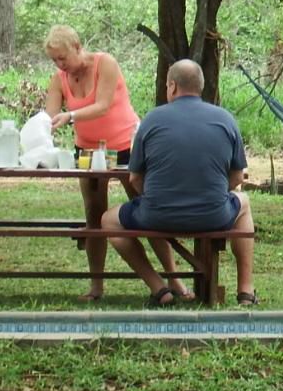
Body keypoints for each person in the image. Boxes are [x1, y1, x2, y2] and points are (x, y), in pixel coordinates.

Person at [42, 25, 186, 302]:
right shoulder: (58, 79)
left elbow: (103, 105)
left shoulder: (104, 64)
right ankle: (96, 286)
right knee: (94, 216)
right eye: (55, 60)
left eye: (63, 58)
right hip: (88, 151)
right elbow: (49, 117)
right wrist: (39, 131)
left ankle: (174, 279)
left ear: (77, 46)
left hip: (127, 147)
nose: (61, 65)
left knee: (147, 210)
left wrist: (69, 116)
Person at [100, 59, 256, 308]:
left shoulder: (151, 120)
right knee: (244, 203)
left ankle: (159, 288)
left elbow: (135, 178)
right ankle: (246, 290)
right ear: (200, 87)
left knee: (108, 220)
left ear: (172, 86)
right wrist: (210, 193)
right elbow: (237, 177)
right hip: (213, 215)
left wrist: (156, 199)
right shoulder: (225, 119)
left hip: (157, 214)